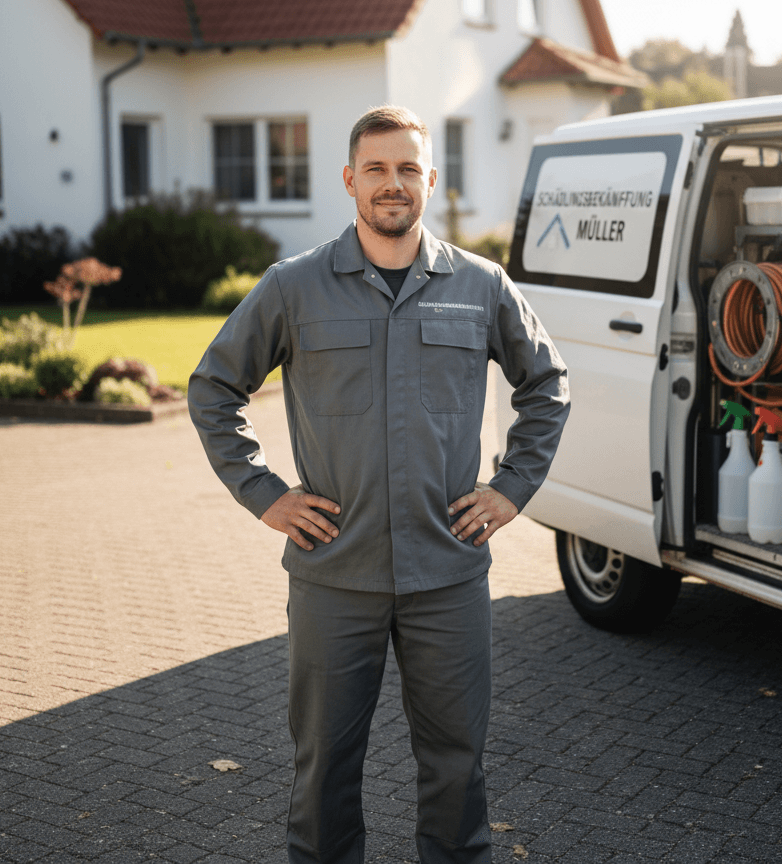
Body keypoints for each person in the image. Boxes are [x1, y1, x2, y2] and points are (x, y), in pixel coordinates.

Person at [188, 105, 570, 864]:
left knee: (457, 773)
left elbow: (547, 385)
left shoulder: (482, 285)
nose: (391, 184)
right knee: (324, 773)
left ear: (429, 179)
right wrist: (266, 496)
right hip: (335, 575)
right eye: (376, 169)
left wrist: (511, 488)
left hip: (449, 573)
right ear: (349, 180)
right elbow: (212, 388)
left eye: (406, 169)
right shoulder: (294, 287)